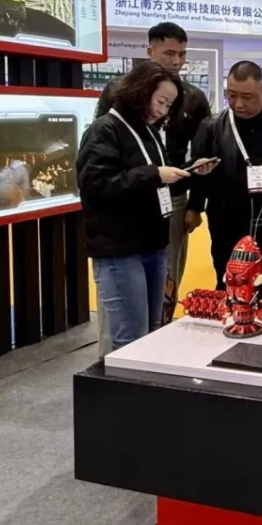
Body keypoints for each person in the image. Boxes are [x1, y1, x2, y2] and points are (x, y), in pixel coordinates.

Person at [95, 22, 211, 330]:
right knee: (122, 296)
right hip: (127, 203)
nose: (177, 61)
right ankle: (114, 350)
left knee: (166, 280)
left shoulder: (193, 98)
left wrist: (195, 204)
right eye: (169, 53)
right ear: (150, 52)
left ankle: (160, 337)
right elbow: (101, 163)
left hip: (172, 200)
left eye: (182, 54)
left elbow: (201, 150)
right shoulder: (117, 93)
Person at [78, 61, 189, 351]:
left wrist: (186, 172)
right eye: (160, 101)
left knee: (151, 331)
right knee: (129, 337)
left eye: (169, 105)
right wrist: (154, 174)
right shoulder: (104, 130)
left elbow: (150, 178)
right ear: (141, 92)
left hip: (152, 243)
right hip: (119, 248)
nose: (163, 110)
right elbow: (96, 186)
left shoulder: (148, 131)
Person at [187, 61, 262, 301]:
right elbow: (199, 172)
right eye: (231, 95)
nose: (238, 104)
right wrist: (195, 207)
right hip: (228, 220)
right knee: (230, 285)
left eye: (247, 97)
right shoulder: (211, 127)